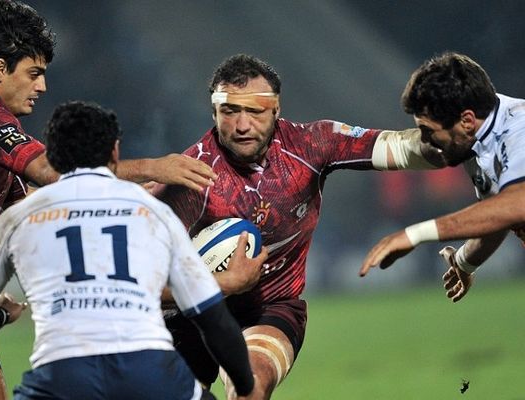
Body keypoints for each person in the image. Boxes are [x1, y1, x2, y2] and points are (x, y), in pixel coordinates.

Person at [0, 1, 215, 399]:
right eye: (34, 73)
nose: (42, 86)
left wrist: (120, 196)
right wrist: (152, 166)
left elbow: (38, 201)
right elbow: (55, 172)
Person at [151, 53, 446, 399]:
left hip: (269, 308)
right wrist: (222, 283)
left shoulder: (311, 144)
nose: (242, 125)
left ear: (276, 110)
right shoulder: (189, 177)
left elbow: (399, 148)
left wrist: (454, 141)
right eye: (230, 111)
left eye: (255, 111)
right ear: (214, 112)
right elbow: (140, 285)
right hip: (191, 313)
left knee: (251, 387)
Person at [0, 100, 266, 400]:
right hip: (149, 371)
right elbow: (212, 319)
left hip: (61, 375)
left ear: (52, 158)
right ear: (114, 152)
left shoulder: (17, 217)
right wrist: (245, 382)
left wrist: (0, 316)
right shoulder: (151, 210)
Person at [359, 52, 525, 303]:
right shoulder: (477, 139)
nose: (425, 141)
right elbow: (495, 216)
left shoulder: (518, 131)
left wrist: (415, 234)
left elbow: (515, 206)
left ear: (467, 120)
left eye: (428, 131)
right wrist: (463, 262)